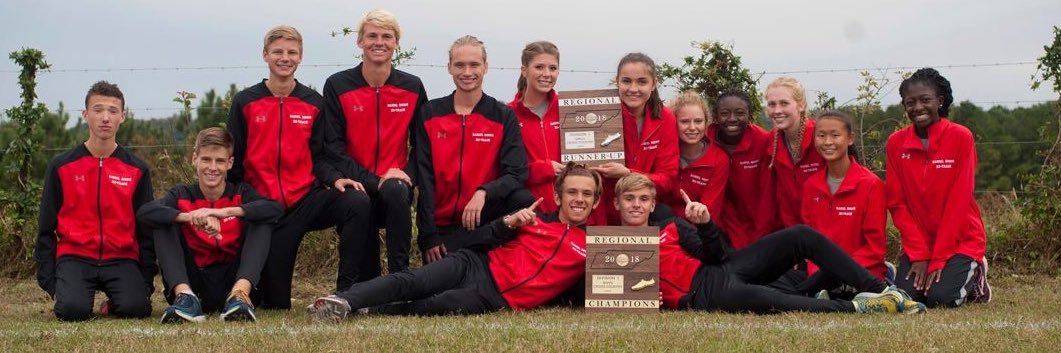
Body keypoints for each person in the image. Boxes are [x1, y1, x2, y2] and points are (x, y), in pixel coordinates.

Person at [306, 163, 601, 320]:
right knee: (412, 281)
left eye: (586, 194)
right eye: (573, 192)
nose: (579, 199)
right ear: (558, 195)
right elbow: (475, 241)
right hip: (473, 265)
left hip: (495, 298)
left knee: (436, 305)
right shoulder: (534, 218)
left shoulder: (593, 247)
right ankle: (342, 299)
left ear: (596, 202)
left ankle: (365, 310)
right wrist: (506, 223)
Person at [612, 173, 922, 314]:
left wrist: (705, 224)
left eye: (644, 199)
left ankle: (883, 289)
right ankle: (859, 306)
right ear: (617, 204)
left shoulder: (671, 226)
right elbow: (612, 294)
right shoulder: (609, 246)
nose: (637, 205)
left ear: (653, 205)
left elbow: (716, 254)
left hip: (722, 267)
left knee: (801, 234)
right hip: (704, 294)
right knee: (778, 303)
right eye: (629, 199)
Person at [227, 25, 372, 309]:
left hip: (306, 200)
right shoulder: (245, 102)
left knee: (357, 201)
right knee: (275, 303)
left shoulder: (314, 103)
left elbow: (320, 156)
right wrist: (244, 205)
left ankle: (345, 293)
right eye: (278, 52)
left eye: (292, 52)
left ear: (300, 57)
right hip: (265, 208)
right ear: (265, 55)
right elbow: (235, 160)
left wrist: (335, 180)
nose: (285, 58)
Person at [34, 81, 156, 321]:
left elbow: (146, 231)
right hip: (75, 256)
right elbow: (45, 227)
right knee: (72, 311)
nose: (105, 118)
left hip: (121, 257)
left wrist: (145, 280)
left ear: (123, 117)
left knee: (136, 309)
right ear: (85, 114)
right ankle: (72, 294)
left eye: (112, 111)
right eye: (98, 110)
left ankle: (116, 300)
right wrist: (50, 282)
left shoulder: (137, 169)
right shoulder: (61, 166)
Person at [321, 9, 428, 275]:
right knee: (359, 200)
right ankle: (358, 284)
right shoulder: (337, 85)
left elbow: (423, 146)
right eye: (372, 36)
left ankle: (401, 280)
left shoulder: (413, 86)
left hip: (396, 188)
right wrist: (373, 180)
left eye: (386, 36)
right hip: (356, 183)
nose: (379, 42)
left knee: (394, 189)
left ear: (396, 43)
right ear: (360, 41)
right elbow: (333, 147)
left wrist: (407, 175)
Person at [138, 127, 283, 323]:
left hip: (233, 281)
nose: (212, 167)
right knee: (164, 222)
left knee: (261, 220)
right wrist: (191, 217)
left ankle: (240, 297)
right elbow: (145, 213)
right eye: (206, 159)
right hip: (195, 283)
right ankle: (185, 299)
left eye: (220, 161)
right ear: (194, 159)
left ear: (230, 163)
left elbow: (275, 209)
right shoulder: (181, 194)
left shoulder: (241, 192)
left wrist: (225, 212)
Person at [414, 35, 532, 264]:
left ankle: (507, 256)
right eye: (459, 65)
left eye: (474, 64)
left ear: (485, 67)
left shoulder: (502, 116)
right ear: (449, 68)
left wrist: (484, 191)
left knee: (522, 198)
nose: (467, 72)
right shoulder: (430, 113)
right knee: (445, 280)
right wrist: (428, 235)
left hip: (484, 222)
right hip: (443, 227)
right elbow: (425, 178)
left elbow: (517, 173)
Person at [887, 68, 992, 307]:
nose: (918, 108)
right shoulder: (896, 143)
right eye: (910, 102)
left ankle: (976, 274)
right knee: (907, 299)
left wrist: (940, 257)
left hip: (960, 240)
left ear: (940, 101)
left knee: (941, 299)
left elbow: (958, 202)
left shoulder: (960, 137)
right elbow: (897, 203)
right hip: (920, 243)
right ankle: (939, 270)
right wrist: (920, 254)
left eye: (925, 100)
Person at [799, 111, 887, 297]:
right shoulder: (811, 186)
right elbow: (810, 244)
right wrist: (819, 273)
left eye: (835, 135)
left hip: (860, 271)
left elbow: (874, 248)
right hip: (821, 274)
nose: (827, 142)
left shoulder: (871, 184)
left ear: (850, 139)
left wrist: (838, 271)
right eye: (821, 136)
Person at [589, 52, 679, 225]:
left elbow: (667, 179)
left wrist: (627, 174)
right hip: (601, 208)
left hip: (643, 212)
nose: (633, 89)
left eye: (642, 82)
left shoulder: (665, 117)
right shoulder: (599, 112)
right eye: (626, 81)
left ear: (654, 84)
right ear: (617, 82)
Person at [708, 89, 777, 249]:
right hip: (716, 223)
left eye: (739, 113)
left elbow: (768, 193)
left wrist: (762, 234)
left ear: (750, 115)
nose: (732, 119)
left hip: (757, 223)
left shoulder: (763, 141)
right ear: (716, 116)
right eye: (725, 113)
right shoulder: (704, 140)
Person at [508, 41, 563, 214]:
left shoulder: (569, 110)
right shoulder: (508, 114)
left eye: (553, 68)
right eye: (539, 67)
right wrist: (545, 169)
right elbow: (505, 171)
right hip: (528, 212)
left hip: (571, 213)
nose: (547, 74)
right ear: (524, 70)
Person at [765, 77, 824, 228]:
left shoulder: (821, 136)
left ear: (801, 105)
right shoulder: (772, 139)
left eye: (784, 103)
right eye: (772, 104)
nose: (777, 111)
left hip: (825, 229)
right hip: (791, 231)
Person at [664, 91, 729, 220]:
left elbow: (710, 211)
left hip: (699, 228)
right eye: (685, 122)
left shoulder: (718, 158)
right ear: (673, 122)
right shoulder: (664, 151)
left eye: (698, 121)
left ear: (706, 123)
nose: (692, 127)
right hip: (663, 224)